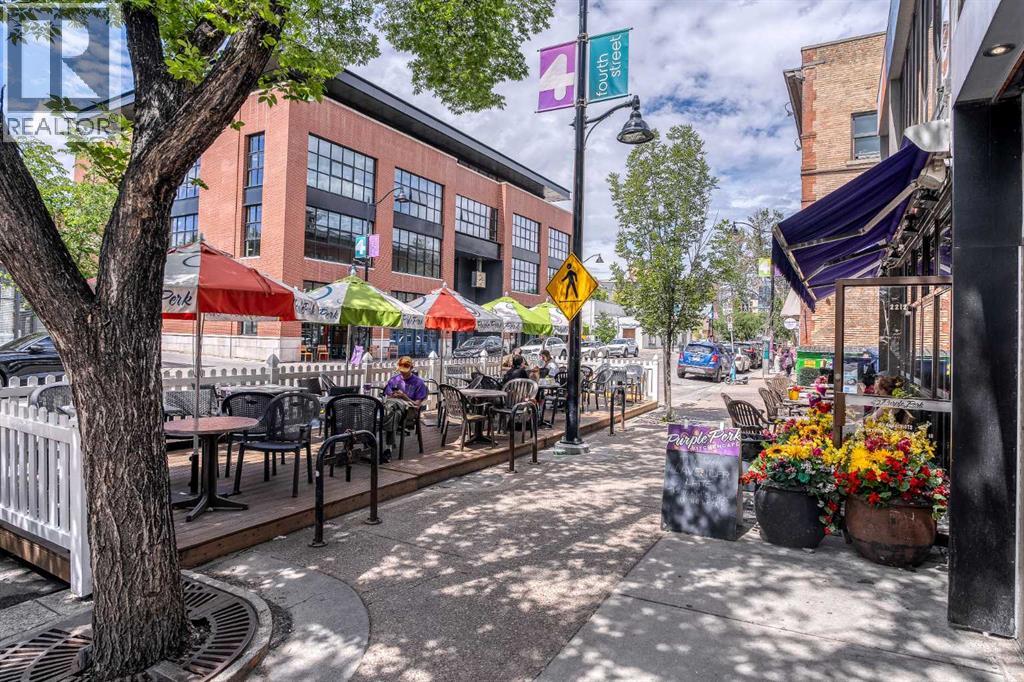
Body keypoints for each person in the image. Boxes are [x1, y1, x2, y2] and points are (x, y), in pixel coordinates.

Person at [381, 356, 427, 462]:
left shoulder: (418, 383)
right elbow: (387, 396)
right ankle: (388, 449)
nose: (402, 373)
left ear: (411, 368)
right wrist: (393, 395)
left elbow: (417, 405)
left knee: (389, 411)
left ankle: (382, 445)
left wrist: (404, 397)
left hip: (410, 409)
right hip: (394, 408)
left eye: (405, 371)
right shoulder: (394, 380)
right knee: (393, 413)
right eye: (401, 371)